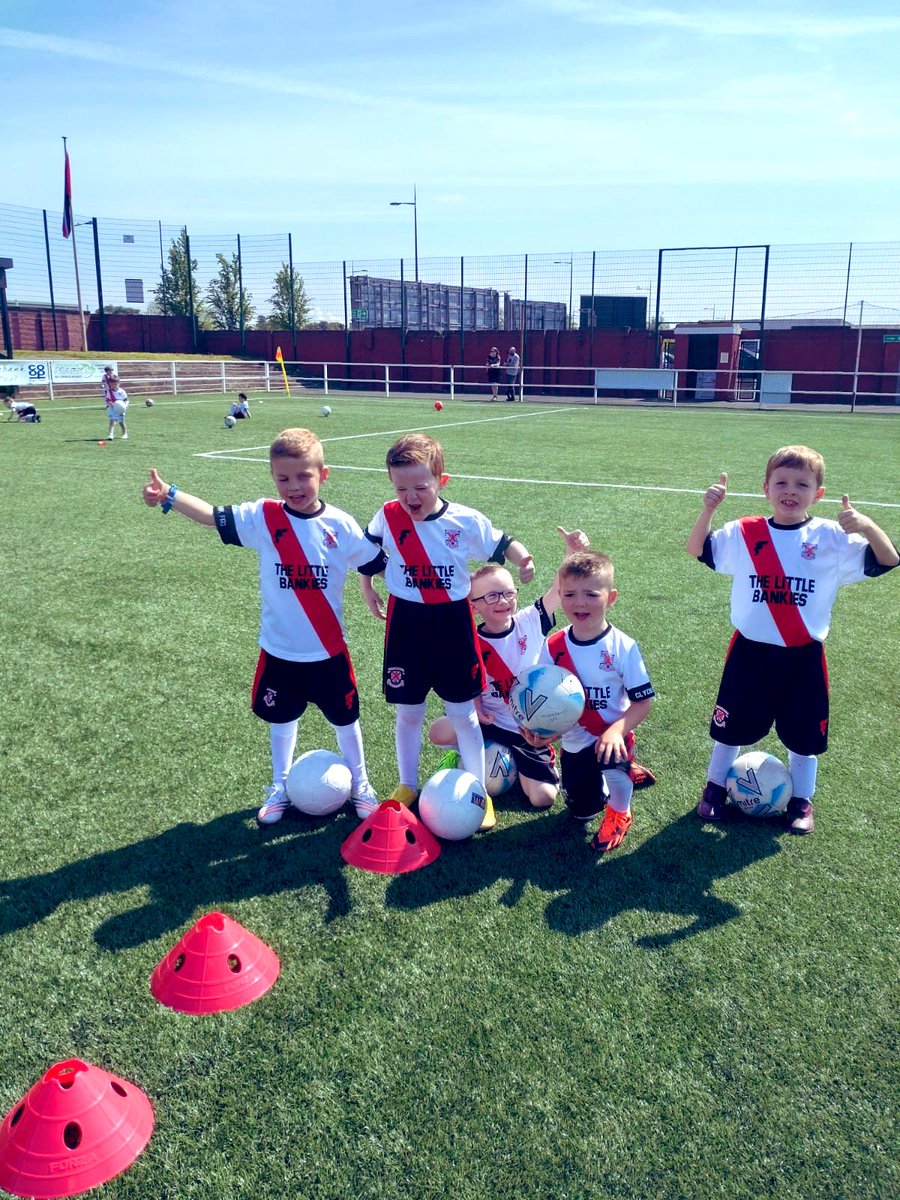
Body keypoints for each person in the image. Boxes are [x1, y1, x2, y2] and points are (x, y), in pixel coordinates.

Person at [141, 427, 387, 826]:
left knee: (346, 719)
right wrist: (169, 494)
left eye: (303, 476)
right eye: (283, 478)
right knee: (281, 720)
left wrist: (369, 587)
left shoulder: (340, 524)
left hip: (328, 650)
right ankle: (280, 785)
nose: (293, 486)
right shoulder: (263, 517)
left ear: (323, 475)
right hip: (279, 650)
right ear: (273, 478)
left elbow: (374, 560)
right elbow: (210, 515)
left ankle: (361, 784)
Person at [686, 445, 898, 834]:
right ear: (766, 488)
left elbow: (888, 559)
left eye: (802, 484)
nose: (790, 490)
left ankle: (801, 799)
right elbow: (697, 549)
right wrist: (708, 510)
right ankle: (715, 788)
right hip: (750, 653)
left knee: (804, 735)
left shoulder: (831, 538)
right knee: (729, 726)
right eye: (781, 482)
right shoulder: (746, 531)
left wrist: (866, 526)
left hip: (802, 656)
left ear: (818, 493)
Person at [360, 432, 536, 829]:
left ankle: (478, 792)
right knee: (408, 711)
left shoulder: (464, 520)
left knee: (464, 714)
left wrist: (523, 559)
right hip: (406, 622)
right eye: (401, 487)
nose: (410, 496)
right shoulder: (387, 515)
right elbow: (370, 553)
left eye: (420, 486)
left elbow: (503, 541)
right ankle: (406, 786)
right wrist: (367, 587)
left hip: (453, 623)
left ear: (442, 480)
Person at [428, 526, 588, 811]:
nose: (501, 601)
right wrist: (474, 706)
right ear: (473, 606)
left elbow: (558, 590)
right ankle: (466, 754)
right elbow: (457, 683)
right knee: (438, 732)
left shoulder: (531, 621)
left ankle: (512, 762)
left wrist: (572, 553)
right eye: (490, 596)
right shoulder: (469, 639)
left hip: (526, 731)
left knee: (543, 798)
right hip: (488, 724)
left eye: (507, 593)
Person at [527, 550, 655, 853]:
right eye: (569, 594)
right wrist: (544, 733)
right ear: (559, 595)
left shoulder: (623, 646)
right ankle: (620, 774)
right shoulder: (553, 646)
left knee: (611, 758)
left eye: (591, 594)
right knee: (582, 810)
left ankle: (620, 810)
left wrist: (614, 731)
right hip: (574, 740)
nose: (579, 603)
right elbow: (547, 699)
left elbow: (643, 702)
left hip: (612, 734)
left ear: (611, 597)